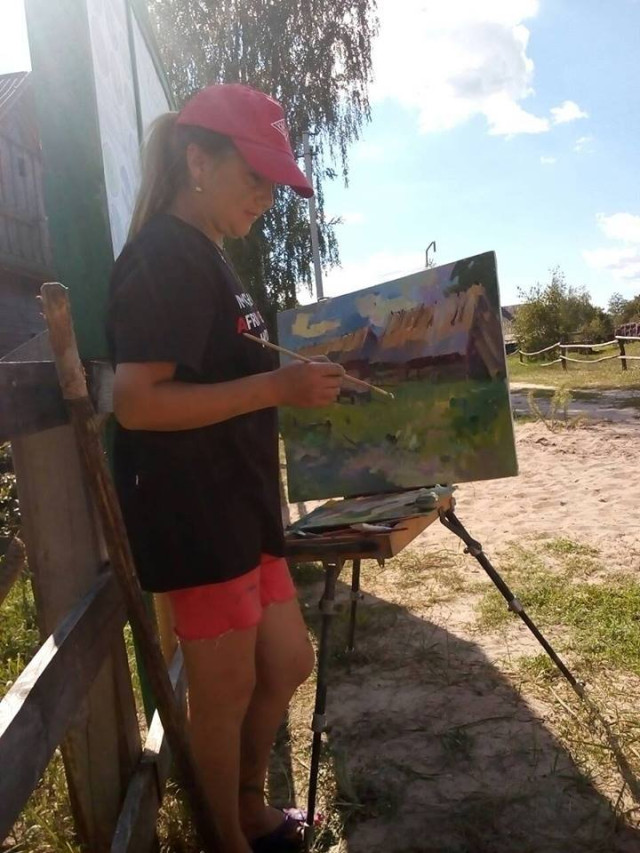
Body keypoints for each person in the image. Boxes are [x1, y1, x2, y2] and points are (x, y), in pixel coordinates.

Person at [106, 84, 344, 853]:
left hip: (241, 509)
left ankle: (244, 807)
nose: (267, 197)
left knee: (288, 661)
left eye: (275, 184)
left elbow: (223, 376)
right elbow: (137, 402)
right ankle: (228, 839)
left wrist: (292, 380)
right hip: (195, 514)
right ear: (197, 160)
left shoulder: (208, 254)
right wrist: (276, 387)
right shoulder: (162, 255)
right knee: (225, 691)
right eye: (256, 176)